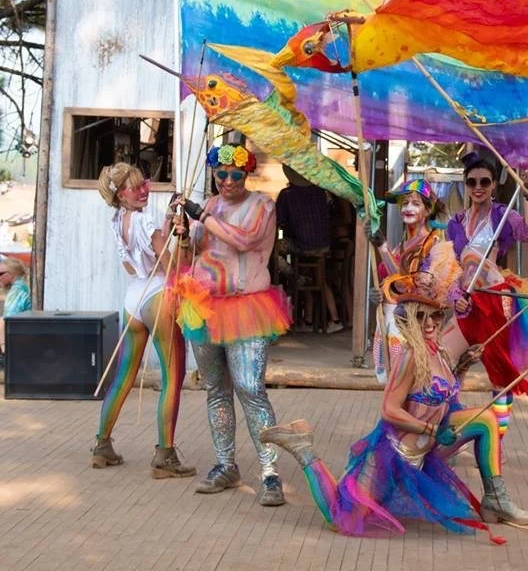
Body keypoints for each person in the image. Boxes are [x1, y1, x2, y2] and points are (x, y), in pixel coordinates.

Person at [260, 266, 528, 541]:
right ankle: (303, 448)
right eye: (421, 317)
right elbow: (389, 410)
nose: (429, 324)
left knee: (486, 422)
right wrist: (431, 430)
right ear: (409, 322)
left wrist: (463, 365)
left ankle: (495, 498)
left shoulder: (438, 353)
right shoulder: (410, 356)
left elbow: (446, 398)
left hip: (427, 450)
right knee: (342, 518)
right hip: (394, 455)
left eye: (435, 316)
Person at [173, 144, 292, 506]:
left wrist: (200, 216)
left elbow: (244, 240)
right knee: (216, 389)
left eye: (235, 174)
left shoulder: (262, 206)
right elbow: (194, 250)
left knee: (250, 388)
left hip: (247, 308)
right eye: (220, 174)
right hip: (205, 307)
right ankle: (226, 464)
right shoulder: (209, 206)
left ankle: (270, 473)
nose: (226, 180)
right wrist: (182, 230)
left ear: (248, 174)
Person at [89, 163, 195, 479]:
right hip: (159, 296)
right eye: (137, 188)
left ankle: (102, 447)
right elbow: (172, 265)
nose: (145, 190)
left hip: (133, 298)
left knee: (122, 376)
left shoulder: (117, 220)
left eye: (145, 184)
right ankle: (165, 455)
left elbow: (131, 266)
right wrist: (184, 239)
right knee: (172, 377)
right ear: (122, 194)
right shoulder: (143, 220)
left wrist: (165, 224)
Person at [446, 150, 528, 442]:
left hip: (494, 302)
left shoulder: (503, 216)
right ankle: (447, 429)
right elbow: (450, 266)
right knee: (444, 365)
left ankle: (495, 443)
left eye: (484, 182)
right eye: (472, 182)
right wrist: (455, 296)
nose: (478, 187)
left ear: (493, 185)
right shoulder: (456, 222)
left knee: (500, 376)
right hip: (465, 302)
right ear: (465, 185)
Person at [367, 179, 465, 383]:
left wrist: (382, 247)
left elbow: (409, 284)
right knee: (391, 383)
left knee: (410, 382)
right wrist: (379, 293)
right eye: (404, 203)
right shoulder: (401, 245)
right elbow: (391, 283)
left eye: (415, 203)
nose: (408, 208)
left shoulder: (435, 244)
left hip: (415, 325)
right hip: (389, 322)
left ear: (428, 210)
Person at [276, 164, 343, 334]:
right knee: (321, 279)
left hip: (302, 245)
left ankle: (294, 276)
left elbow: (279, 221)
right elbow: (333, 216)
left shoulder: (287, 195)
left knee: (274, 250)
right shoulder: (322, 192)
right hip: (324, 246)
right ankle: (333, 320)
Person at [0, 255, 31, 370]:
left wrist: (4, 348)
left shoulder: (17, 290)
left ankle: (4, 358)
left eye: (1, 274)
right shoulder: (22, 287)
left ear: (11, 274)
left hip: (18, 337)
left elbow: (7, 320)